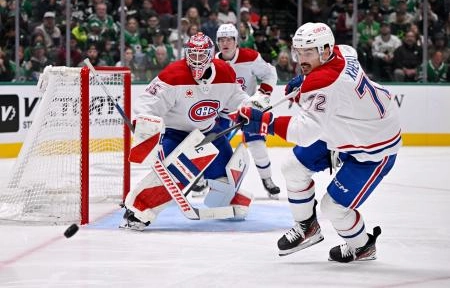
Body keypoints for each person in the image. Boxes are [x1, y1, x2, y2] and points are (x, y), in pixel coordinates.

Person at [236, 22, 402, 262]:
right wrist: (305, 81)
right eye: (299, 52)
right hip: (349, 128)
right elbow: (344, 59)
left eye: (309, 52)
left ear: (325, 50)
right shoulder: (342, 52)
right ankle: (307, 227)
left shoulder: (324, 81)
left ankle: (362, 246)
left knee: (333, 208)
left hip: (373, 147)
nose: (302, 58)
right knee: (292, 168)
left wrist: (265, 122)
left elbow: (304, 132)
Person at [120, 32, 261, 230]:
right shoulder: (173, 75)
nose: (195, 60)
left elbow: (237, 99)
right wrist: (144, 122)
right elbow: (147, 102)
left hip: (209, 132)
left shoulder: (225, 72)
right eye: (192, 54)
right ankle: (137, 211)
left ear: (211, 55)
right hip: (176, 134)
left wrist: (250, 108)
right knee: (172, 176)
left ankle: (226, 200)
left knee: (227, 177)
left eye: (200, 55)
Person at [213, 23, 281, 199]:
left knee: (257, 145)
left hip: (246, 110)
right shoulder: (212, 62)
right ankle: (208, 180)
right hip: (222, 112)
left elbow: (270, 74)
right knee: (213, 145)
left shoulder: (250, 57)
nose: (225, 43)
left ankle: (267, 179)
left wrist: (262, 95)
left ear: (236, 41)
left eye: (229, 39)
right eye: (221, 39)